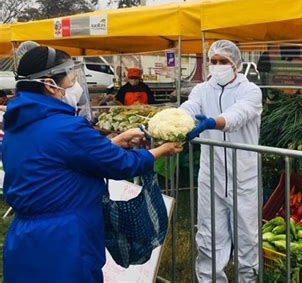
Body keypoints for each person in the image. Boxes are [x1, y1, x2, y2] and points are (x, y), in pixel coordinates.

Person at [2, 46, 182, 283]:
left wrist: (113, 142)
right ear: (49, 84)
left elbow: (60, 159)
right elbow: (121, 165)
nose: (74, 87)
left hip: (25, 237)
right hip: (65, 240)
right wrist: (161, 150)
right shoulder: (65, 128)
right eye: (71, 80)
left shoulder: (18, 123)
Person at [181, 40, 262, 282]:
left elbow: (239, 114)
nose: (217, 66)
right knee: (209, 237)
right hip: (211, 175)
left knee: (247, 238)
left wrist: (212, 122)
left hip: (243, 176)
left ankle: (248, 279)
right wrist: (177, 119)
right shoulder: (202, 90)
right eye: (213, 61)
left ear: (236, 64)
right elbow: (189, 107)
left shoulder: (250, 91)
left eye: (223, 61)